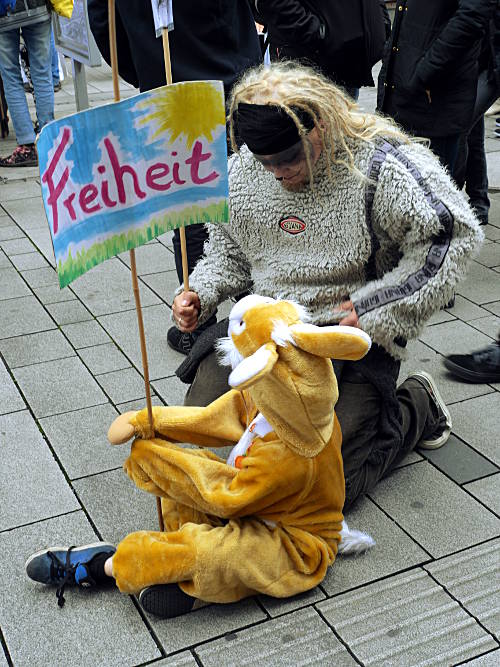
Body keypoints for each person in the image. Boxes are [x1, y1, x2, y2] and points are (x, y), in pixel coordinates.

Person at [172, 62, 483, 508]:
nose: (279, 173)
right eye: (267, 163)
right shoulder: (243, 171)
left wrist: (376, 307)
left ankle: (418, 406)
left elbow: (454, 234)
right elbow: (229, 252)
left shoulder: (380, 163)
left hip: (349, 334)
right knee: (199, 421)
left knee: (328, 490)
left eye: (289, 158)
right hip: (267, 329)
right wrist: (199, 294)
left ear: (318, 124)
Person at [88, 0, 262, 354]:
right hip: (225, 76)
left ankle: (201, 323)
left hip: (171, 85)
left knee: (191, 210)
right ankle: (246, 313)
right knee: (241, 197)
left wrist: (148, 70)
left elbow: (104, 25)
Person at [377, 0, 497, 176]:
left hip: (435, 103)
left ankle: (478, 198)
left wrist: (426, 72)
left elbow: (472, 16)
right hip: (400, 97)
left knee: (433, 193)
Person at [253, 0, 390, 99]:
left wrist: (380, 19)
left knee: (343, 133)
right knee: (310, 135)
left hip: (349, 60)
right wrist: (320, 33)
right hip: (309, 66)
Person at [454, 4, 500, 225]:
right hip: (473, 63)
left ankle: (453, 193)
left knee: (462, 126)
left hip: (491, 65)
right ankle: (479, 201)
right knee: (472, 132)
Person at [0, 0, 54, 167]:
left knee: (10, 77)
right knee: (42, 73)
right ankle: (48, 139)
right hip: (37, 6)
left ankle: (27, 145)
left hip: (4, 12)